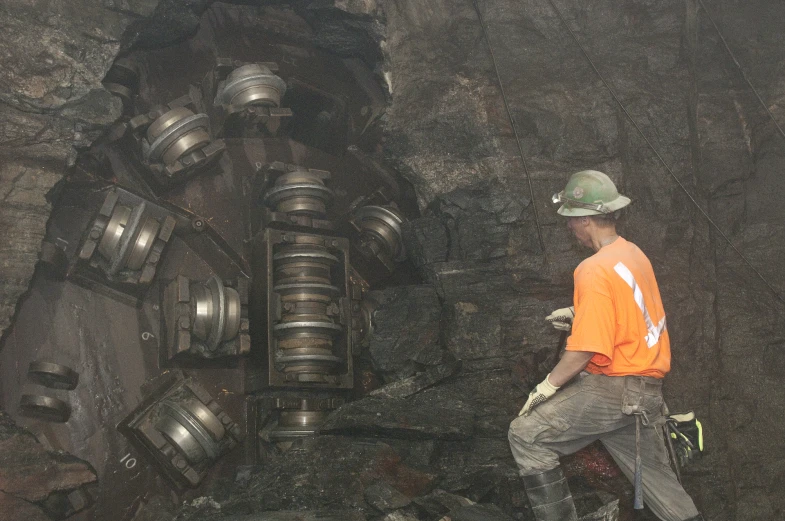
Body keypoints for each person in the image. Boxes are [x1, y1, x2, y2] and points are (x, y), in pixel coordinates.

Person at [508, 170, 703, 521]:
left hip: (614, 392)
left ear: (586, 218)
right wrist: (578, 313)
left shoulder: (592, 269)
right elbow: (634, 312)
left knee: (526, 436)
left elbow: (583, 351)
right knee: (663, 489)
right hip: (646, 394)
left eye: (571, 219)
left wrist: (546, 387)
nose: (569, 226)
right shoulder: (632, 254)